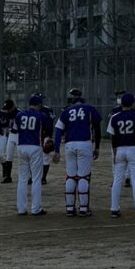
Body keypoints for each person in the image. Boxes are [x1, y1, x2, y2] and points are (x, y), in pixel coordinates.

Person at [53, 88, 101, 217]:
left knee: (70, 176)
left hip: (69, 144)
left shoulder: (66, 111)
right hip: (84, 143)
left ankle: (69, 208)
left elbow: (58, 132)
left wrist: (56, 150)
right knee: (83, 177)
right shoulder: (89, 108)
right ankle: (84, 208)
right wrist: (97, 147)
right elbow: (97, 128)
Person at [108, 92, 135, 218]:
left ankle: (114, 209)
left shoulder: (115, 117)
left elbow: (112, 137)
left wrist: (114, 152)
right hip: (133, 148)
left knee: (117, 180)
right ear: (131, 103)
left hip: (119, 149)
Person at [13, 95, 54, 217]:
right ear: (39, 105)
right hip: (35, 146)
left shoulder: (19, 115)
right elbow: (49, 129)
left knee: (22, 178)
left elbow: (15, 130)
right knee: (36, 178)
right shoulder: (41, 115)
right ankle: (36, 209)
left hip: (21, 146)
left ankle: (21, 209)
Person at [1, 99, 18, 183]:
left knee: (22, 156)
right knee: (8, 155)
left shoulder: (19, 113)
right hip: (11, 135)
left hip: (19, 135)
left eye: (9, 108)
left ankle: (29, 176)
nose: (7, 110)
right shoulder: (5, 112)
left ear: (13, 106)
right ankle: (8, 177)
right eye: (6, 108)